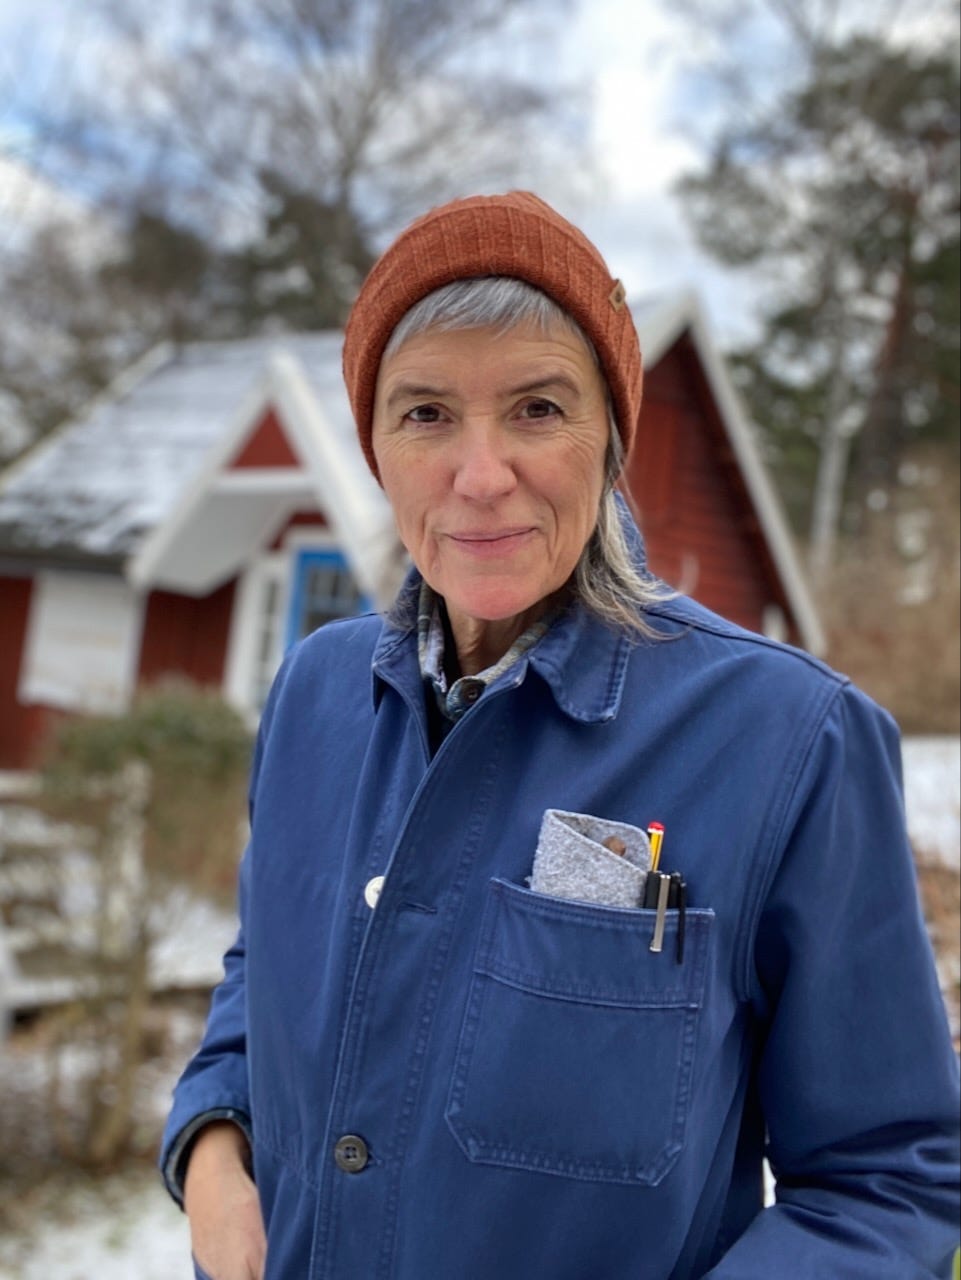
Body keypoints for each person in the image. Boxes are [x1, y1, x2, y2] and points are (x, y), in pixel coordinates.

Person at [161, 191, 960, 1280]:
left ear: (611, 442)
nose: (481, 474)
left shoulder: (789, 740)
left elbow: (887, 1176)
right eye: (425, 413)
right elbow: (267, 963)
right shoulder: (313, 692)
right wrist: (214, 1140)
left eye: (537, 408)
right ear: (376, 450)